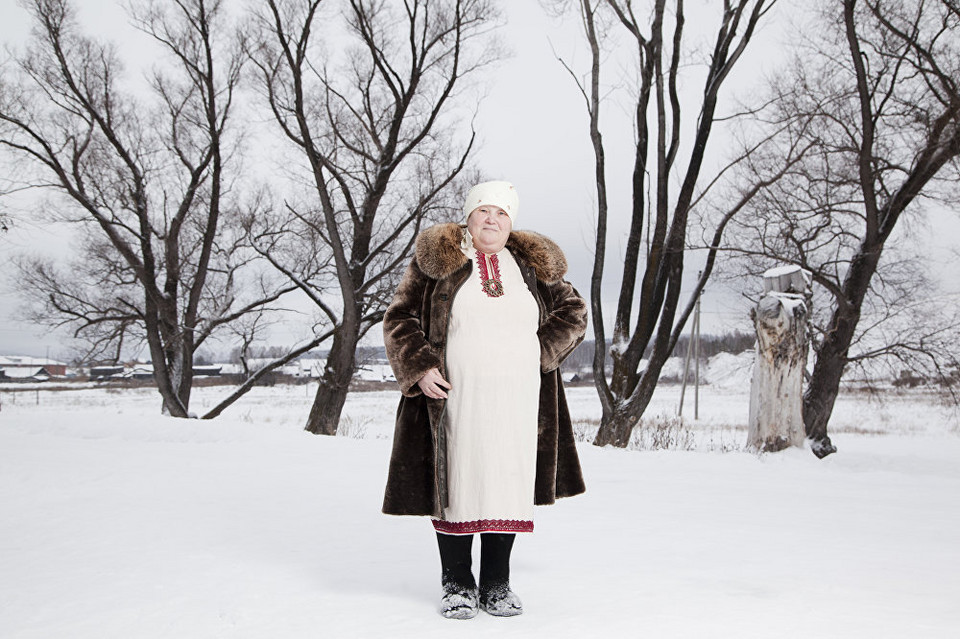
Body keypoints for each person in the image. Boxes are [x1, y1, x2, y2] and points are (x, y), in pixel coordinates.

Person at [381, 180, 588, 619]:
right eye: (483, 211)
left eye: (501, 213)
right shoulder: (439, 261)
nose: (491, 220)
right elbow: (399, 317)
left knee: (506, 481)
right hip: (455, 394)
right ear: (469, 216)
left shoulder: (531, 266)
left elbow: (574, 312)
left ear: (511, 223)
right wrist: (420, 367)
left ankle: (497, 583)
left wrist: (542, 352)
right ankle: (457, 582)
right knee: (458, 479)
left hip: (519, 398)